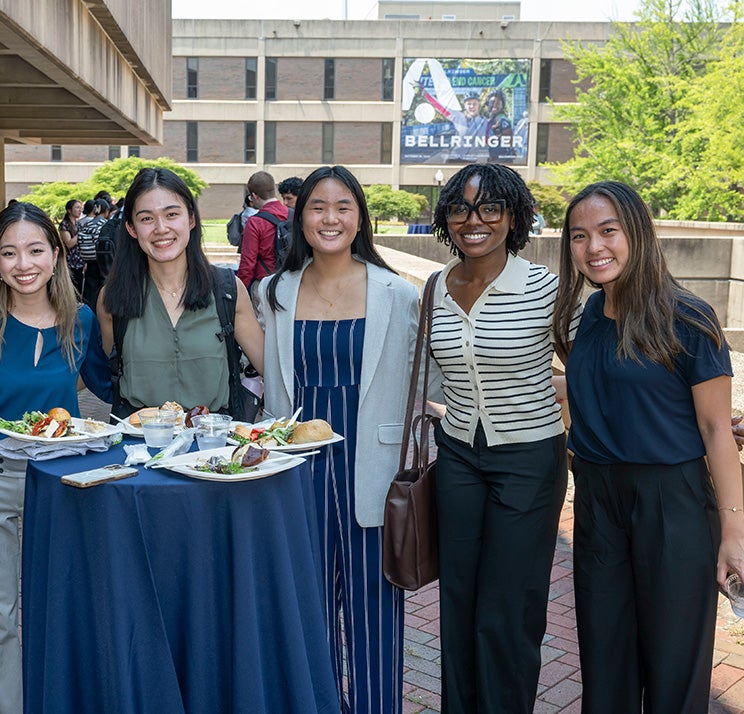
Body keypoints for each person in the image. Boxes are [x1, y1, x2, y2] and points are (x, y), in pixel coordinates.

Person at [551, 181, 743, 713]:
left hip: (671, 503)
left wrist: (733, 532)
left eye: (608, 231)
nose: (594, 247)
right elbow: (604, 389)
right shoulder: (588, 315)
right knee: (605, 658)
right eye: (580, 236)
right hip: (596, 501)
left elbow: (714, 431)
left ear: (636, 231)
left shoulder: (689, 318)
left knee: (674, 667)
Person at [254, 165, 422, 714]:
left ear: (360, 217)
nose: (330, 218)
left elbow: (425, 388)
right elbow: (273, 389)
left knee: (375, 615)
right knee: (308, 612)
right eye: (317, 207)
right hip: (298, 469)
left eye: (343, 206)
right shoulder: (273, 291)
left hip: (370, 471)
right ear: (299, 217)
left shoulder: (397, 293)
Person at [0, 201, 111, 714]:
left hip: (56, 479)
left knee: (59, 608)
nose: (24, 263)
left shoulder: (79, 321)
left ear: (57, 254)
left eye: (35, 249)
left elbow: (108, 386)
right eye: (9, 252)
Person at [429, 162, 576, 713]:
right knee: (460, 599)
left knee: (509, 606)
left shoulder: (545, 287)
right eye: (462, 208)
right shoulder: (434, 288)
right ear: (447, 218)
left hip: (529, 460)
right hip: (458, 456)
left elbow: (595, 364)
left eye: (490, 208)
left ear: (513, 217)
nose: (475, 220)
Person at [98, 166, 264, 417]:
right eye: (146, 219)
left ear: (191, 219)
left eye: (171, 214)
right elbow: (97, 371)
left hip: (213, 446)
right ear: (131, 228)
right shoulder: (113, 297)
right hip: (138, 448)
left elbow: (273, 371)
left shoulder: (228, 290)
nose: (161, 228)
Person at [237, 170, 290, 291]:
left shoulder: (255, 222)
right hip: (291, 283)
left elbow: (248, 263)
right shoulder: (292, 215)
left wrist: (239, 291)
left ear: (254, 196)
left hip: (265, 283)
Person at [58, 198, 85, 291]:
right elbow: (69, 243)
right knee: (71, 289)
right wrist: (80, 234)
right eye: (77, 207)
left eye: (81, 208)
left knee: (80, 289)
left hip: (80, 262)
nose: (80, 210)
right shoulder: (64, 224)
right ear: (69, 210)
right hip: (69, 262)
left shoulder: (79, 224)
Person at [483, 89, 514, 162]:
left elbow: (510, 142)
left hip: (502, 160)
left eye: (497, 103)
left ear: (502, 105)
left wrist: (498, 134)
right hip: (493, 159)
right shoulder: (491, 120)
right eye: (491, 102)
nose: (494, 105)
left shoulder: (502, 120)